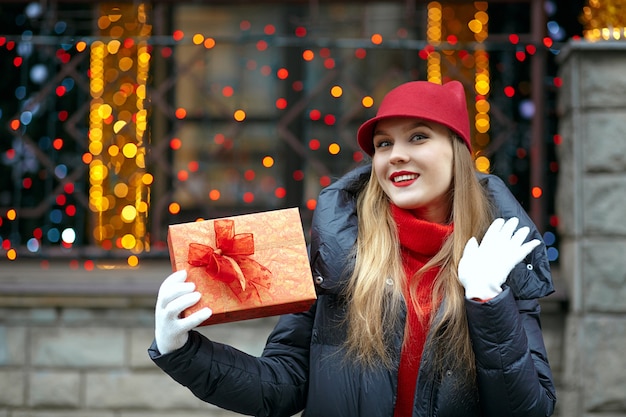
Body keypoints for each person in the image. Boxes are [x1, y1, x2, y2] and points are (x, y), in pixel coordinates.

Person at [148, 80, 557, 417]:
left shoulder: (502, 258)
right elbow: (282, 385)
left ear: (457, 151)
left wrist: (489, 303)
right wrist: (181, 351)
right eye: (383, 144)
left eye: (418, 137)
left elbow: (529, 410)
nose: (396, 155)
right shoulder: (339, 253)